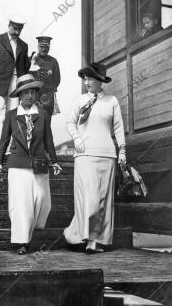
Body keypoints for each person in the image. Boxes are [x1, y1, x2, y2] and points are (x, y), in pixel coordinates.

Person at [0, 74, 62, 254]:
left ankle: (32, 232)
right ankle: (21, 242)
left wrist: (54, 161)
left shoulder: (43, 114)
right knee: (21, 205)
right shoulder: (11, 115)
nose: (29, 96)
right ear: (19, 95)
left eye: (32, 92)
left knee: (42, 201)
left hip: (39, 164)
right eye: (25, 93)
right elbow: (3, 141)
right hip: (17, 165)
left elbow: (49, 141)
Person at [63, 62, 126, 253]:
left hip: (106, 154)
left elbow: (118, 128)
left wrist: (122, 151)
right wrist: (77, 138)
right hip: (84, 155)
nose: (86, 81)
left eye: (90, 78)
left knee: (102, 200)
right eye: (85, 78)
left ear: (100, 81)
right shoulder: (80, 100)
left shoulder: (112, 101)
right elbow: (70, 122)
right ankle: (78, 234)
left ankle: (95, 241)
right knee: (88, 200)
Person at [0, 16, 30, 152]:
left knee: (13, 113)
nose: (17, 32)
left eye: (20, 29)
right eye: (15, 28)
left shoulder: (23, 45)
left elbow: (24, 67)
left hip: (16, 81)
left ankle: (10, 146)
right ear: (9, 25)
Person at [29, 36, 60, 124]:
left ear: (49, 47)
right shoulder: (32, 59)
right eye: (41, 46)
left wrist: (49, 90)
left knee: (46, 121)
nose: (44, 49)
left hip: (47, 97)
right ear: (38, 46)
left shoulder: (53, 61)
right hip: (33, 96)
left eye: (46, 47)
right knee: (33, 122)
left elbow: (57, 79)